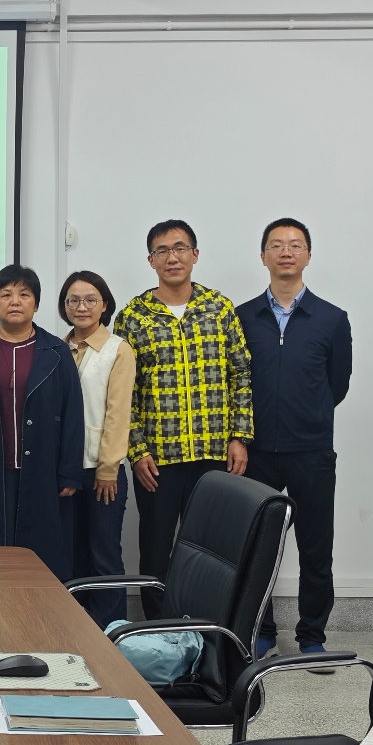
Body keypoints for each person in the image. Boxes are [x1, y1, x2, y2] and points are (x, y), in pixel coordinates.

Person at [113, 219, 253, 619]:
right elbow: (124, 391)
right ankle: (158, 630)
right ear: (151, 260)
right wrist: (137, 451)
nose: (172, 257)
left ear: (195, 254)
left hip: (213, 453)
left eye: (179, 248)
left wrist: (240, 436)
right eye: (162, 251)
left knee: (213, 550)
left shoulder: (219, 308)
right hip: (158, 458)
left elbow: (241, 373)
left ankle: (208, 627)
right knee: (156, 548)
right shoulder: (133, 316)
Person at [239, 217, 352, 661]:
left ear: (307, 254)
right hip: (255, 451)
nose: (286, 251)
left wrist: (307, 415)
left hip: (312, 451)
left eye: (295, 244)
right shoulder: (243, 317)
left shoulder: (332, 319)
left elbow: (337, 384)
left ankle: (312, 636)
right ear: (263, 256)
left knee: (315, 546)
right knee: (257, 547)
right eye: (276, 244)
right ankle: (260, 631)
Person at [0, 265, 84, 581]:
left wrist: (69, 470)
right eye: (6, 295)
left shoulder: (56, 351)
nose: (15, 301)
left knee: (40, 556)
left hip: (42, 468)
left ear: (36, 304)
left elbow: (73, 413)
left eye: (24, 295)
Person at [58, 270, 136, 627]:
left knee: (103, 555)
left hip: (102, 471)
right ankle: (75, 628)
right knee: (70, 554)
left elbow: (118, 414)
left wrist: (108, 469)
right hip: (66, 471)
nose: (81, 307)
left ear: (104, 305)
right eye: (73, 300)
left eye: (90, 300)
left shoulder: (117, 349)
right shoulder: (57, 348)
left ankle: (111, 632)